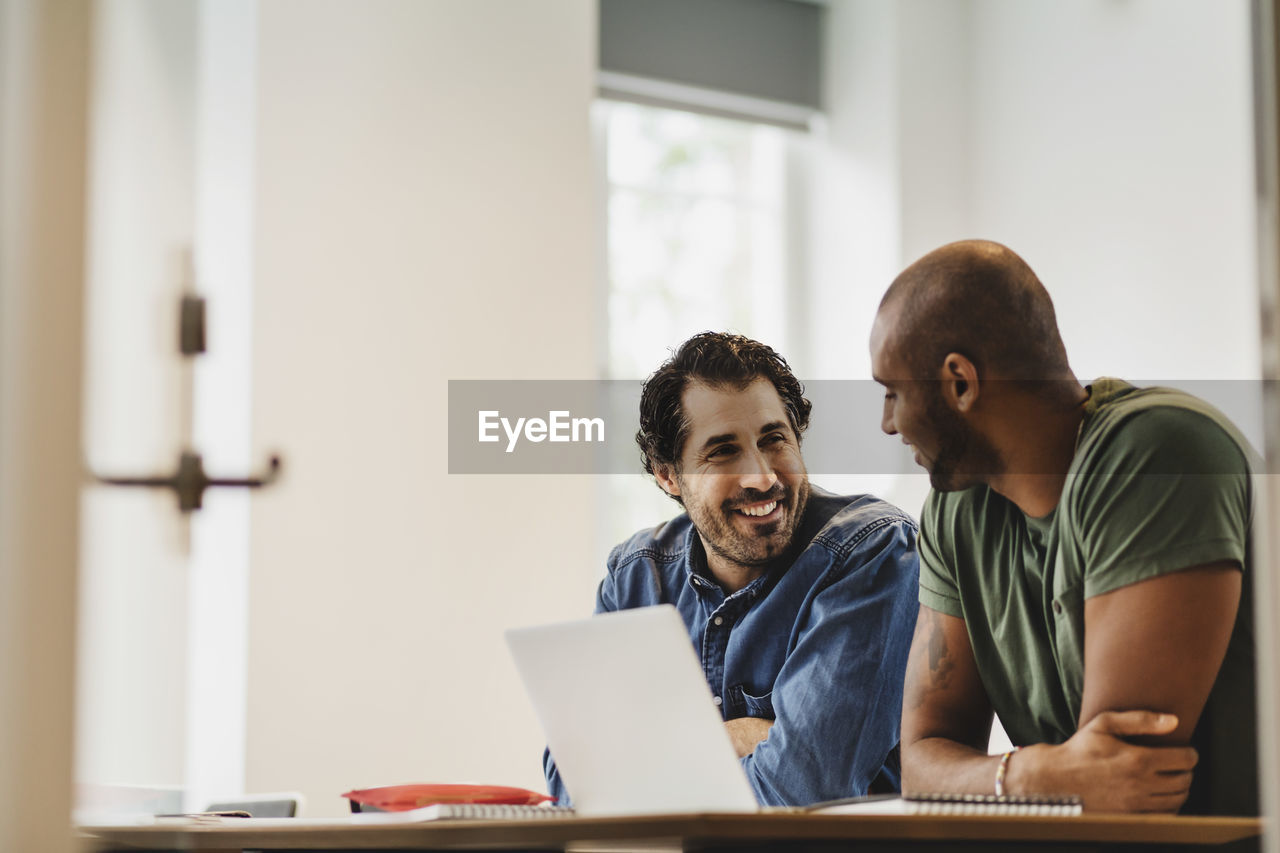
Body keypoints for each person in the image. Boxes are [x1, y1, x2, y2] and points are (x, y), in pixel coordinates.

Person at [869, 239, 1257, 815]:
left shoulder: (1157, 454)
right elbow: (923, 762)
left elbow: (1123, 785)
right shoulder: (955, 511)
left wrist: (1016, 779)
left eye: (893, 394)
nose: (886, 423)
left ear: (960, 383)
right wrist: (1032, 776)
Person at [544, 332, 919, 807]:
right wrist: (744, 735)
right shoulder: (636, 578)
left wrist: (654, 751)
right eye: (722, 451)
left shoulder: (872, 551)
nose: (762, 476)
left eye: (774, 439)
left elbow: (803, 788)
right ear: (668, 475)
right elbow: (573, 786)